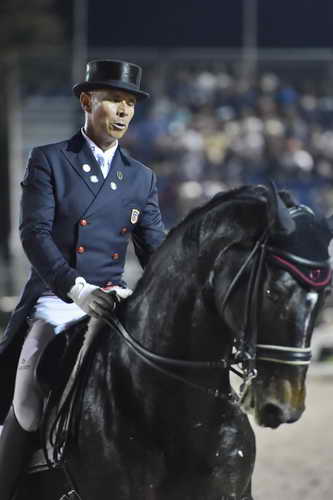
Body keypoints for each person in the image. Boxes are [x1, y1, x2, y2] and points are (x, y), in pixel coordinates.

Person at [0, 59, 165, 499]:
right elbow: (33, 234)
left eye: (130, 103)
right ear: (88, 101)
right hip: (59, 298)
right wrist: (76, 287)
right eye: (114, 100)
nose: (123, 111)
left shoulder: (141, 177)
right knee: (27, 400)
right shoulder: (50, 160)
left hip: (114, 297)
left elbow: (156, 251)